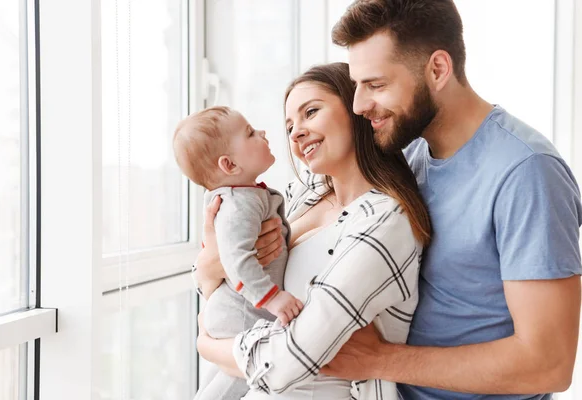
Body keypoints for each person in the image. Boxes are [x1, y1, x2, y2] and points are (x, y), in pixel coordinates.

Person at [318, 1, 582, 399]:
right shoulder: (410, 153)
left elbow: (547, 365)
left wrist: (378, 359)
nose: (358, 105)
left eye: (376, 85)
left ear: (438, 69)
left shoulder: (526, 172)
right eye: (357, 85)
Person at [193, 62, 431, 399]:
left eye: (311, 112)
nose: (296, 132)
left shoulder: (384, 221)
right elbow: (223, 272)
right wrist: (206, 269)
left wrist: (208, 345)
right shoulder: (301, 195)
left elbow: (288, 360)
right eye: (290, 125)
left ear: (357, 110)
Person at [173, 106, 303, 400]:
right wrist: (273, 297)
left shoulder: (245, 196)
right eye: (250, 133)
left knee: (218, 382)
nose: (263, 133)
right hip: (243, 314)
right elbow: (235, 261)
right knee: (233, 386)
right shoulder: (239, 203)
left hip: (238, 310)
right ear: (229, 165)